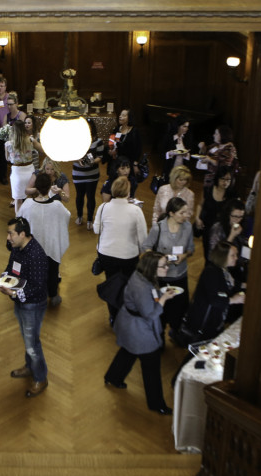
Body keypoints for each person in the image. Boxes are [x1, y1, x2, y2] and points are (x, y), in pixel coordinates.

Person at [103, 251, 177, 415]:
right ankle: (157, 403)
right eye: (163, 266)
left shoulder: (142, 276)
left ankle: (113, 377)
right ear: (152, 267)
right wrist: (164, 298)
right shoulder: (141, 287)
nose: (167, 268)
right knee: (151, 365)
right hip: (138, 330)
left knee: (128, 352)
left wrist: (160, 295)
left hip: (131, 325)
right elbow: (150, 314)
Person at [0, 217, 50, 398]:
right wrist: (3, 278)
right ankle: (30, 367)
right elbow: (12, 268)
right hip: (21, 302)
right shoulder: (17, 248)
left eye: (10, 233)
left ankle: (41, 378)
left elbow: (37, 286)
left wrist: (13, 294)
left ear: (22, 234)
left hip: (33, 305)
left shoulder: (36, 255)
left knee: (32, 344)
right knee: (27, 339)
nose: (8, 237)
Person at [92, 176, 147, 320]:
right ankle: (127, 314)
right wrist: (142, 252)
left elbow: (96, 230)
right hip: (128, 255)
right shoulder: (135, 210)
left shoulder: (103, 207)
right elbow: (143, 237)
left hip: (106, 254)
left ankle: (113, 316)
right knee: (128, 286)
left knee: (112, 285)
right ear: (128, 192)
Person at [142, 196, 195, 335]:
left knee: (179, 310)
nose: (186, 216)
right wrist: (159, 260)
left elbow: (191, 248)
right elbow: (146, 247)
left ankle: (176, 332)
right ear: (171, 213)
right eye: (182, 213)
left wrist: (184, 255)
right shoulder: (158, 228)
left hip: (180, 275)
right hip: (162, 278)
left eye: (187, 212)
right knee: (161, 311)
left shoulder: (188, 227)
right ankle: (159, 337)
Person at [18, 172, 71, 306]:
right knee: (53, 271)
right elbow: (67, 216)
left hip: (32, 247)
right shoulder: (57, 206)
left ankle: (32, 294)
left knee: (32, 271)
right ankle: (53, 295)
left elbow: (19, 219)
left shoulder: (28, 204)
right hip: (51, 245)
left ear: (36, 187)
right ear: (49, 187)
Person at [181, 241, 246, 344]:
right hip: (203, 323)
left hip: (215, 321)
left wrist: (244, 285)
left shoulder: (223, 270)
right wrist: (234, 300)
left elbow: (231, 283)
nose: (236, 258)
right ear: (223, 256)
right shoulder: (211, 273)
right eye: (233, 255)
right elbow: (214, 299)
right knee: (200, 350)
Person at [152, 165, 201, 230]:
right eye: (180, 180)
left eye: (185, 180)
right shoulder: (163, 189)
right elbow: (156, 210)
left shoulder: (190, 194)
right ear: (174, 178)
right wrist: (155, 226)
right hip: (161, 226)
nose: (183, 182)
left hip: (178, 230)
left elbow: (187, 216)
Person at [107, 108, 143, 196]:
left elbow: (139, 149)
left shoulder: (134, 131)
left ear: (129, 118)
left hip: (129, 164)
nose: (120, 116)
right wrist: (110, 151)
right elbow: (111, 144)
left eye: (123, 115)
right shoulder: (116, 130)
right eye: (120, 115)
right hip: (117, 164)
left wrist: (135, 164)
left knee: (129, 187)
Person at [5, 119, 37, 214]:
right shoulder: (30, 140)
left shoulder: (8, 144)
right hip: (30, 171)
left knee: (18, 199)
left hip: (17, 173)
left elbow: (7, 158)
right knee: (31, 197)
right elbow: (41, 149)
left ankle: (19, 220)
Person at [72, 138, 104, 227]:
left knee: (91, 196)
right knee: (79, 195)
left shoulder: (98, 141)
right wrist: (78, 160)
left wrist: (93, 162)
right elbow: (70, 155)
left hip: (92, 174)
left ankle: (90, 219)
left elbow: (100, 156)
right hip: (78, 174)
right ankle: (79, 216)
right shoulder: (74, 139)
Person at [199, 166, 235, 240]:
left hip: (223, 228)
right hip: (207, 225)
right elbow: (200, 204)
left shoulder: (232, 194)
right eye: (223, 179)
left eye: (228, 179)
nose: (225, 182)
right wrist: (197, 217)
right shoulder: (208, 189)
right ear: (217, 178)